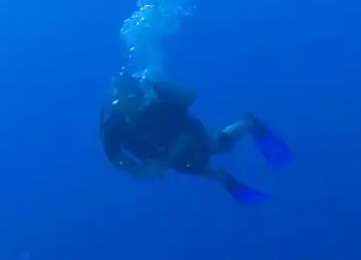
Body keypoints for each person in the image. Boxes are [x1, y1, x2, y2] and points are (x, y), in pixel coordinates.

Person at [99, 72, 293, 204]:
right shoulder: (113, 128)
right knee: (188, 167)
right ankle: (221, 177)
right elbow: (115, 157)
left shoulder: (158, 107)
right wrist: (140, 171)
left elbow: (185, 133)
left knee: (216, 146)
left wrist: (162, 162)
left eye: (132, 99)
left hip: (187, 134)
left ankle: (249, 123)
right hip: (160, 150)